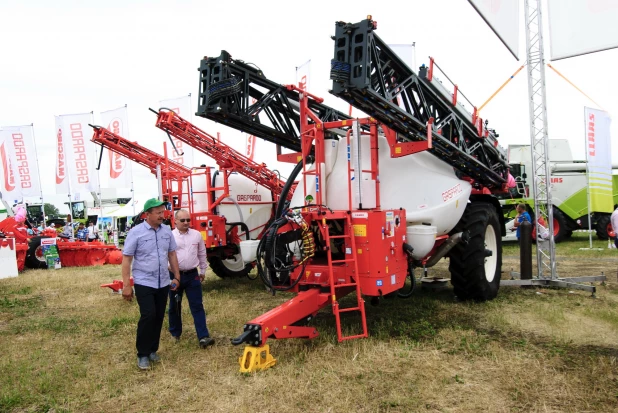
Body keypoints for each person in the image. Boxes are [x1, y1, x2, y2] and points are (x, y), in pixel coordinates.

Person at [121, 198, 181, 371]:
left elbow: (171, 254)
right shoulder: (136, 232)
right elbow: (127, 259)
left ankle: (153, 350)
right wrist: (126, 285)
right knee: (148, 315)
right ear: (147, 215)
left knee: (159, 316)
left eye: (163, 212)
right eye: (159, 213)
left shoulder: (167, 231)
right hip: (144, 281)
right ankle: (142, 354)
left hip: (163, 281)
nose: (163, 215)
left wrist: (176, 276)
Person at [168, 209, 214, 348]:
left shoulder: (196, 235)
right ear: (175, 221)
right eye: (182, 220)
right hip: (174, 276)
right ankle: (175, 333)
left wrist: (203, 270)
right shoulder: (169, 236)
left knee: (197, 305)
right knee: (174, 305)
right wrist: (169, 269)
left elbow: (201, 253)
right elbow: (164, 255)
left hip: (192, 275)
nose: (186, 222)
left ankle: (203, 336)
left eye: (188, 220)